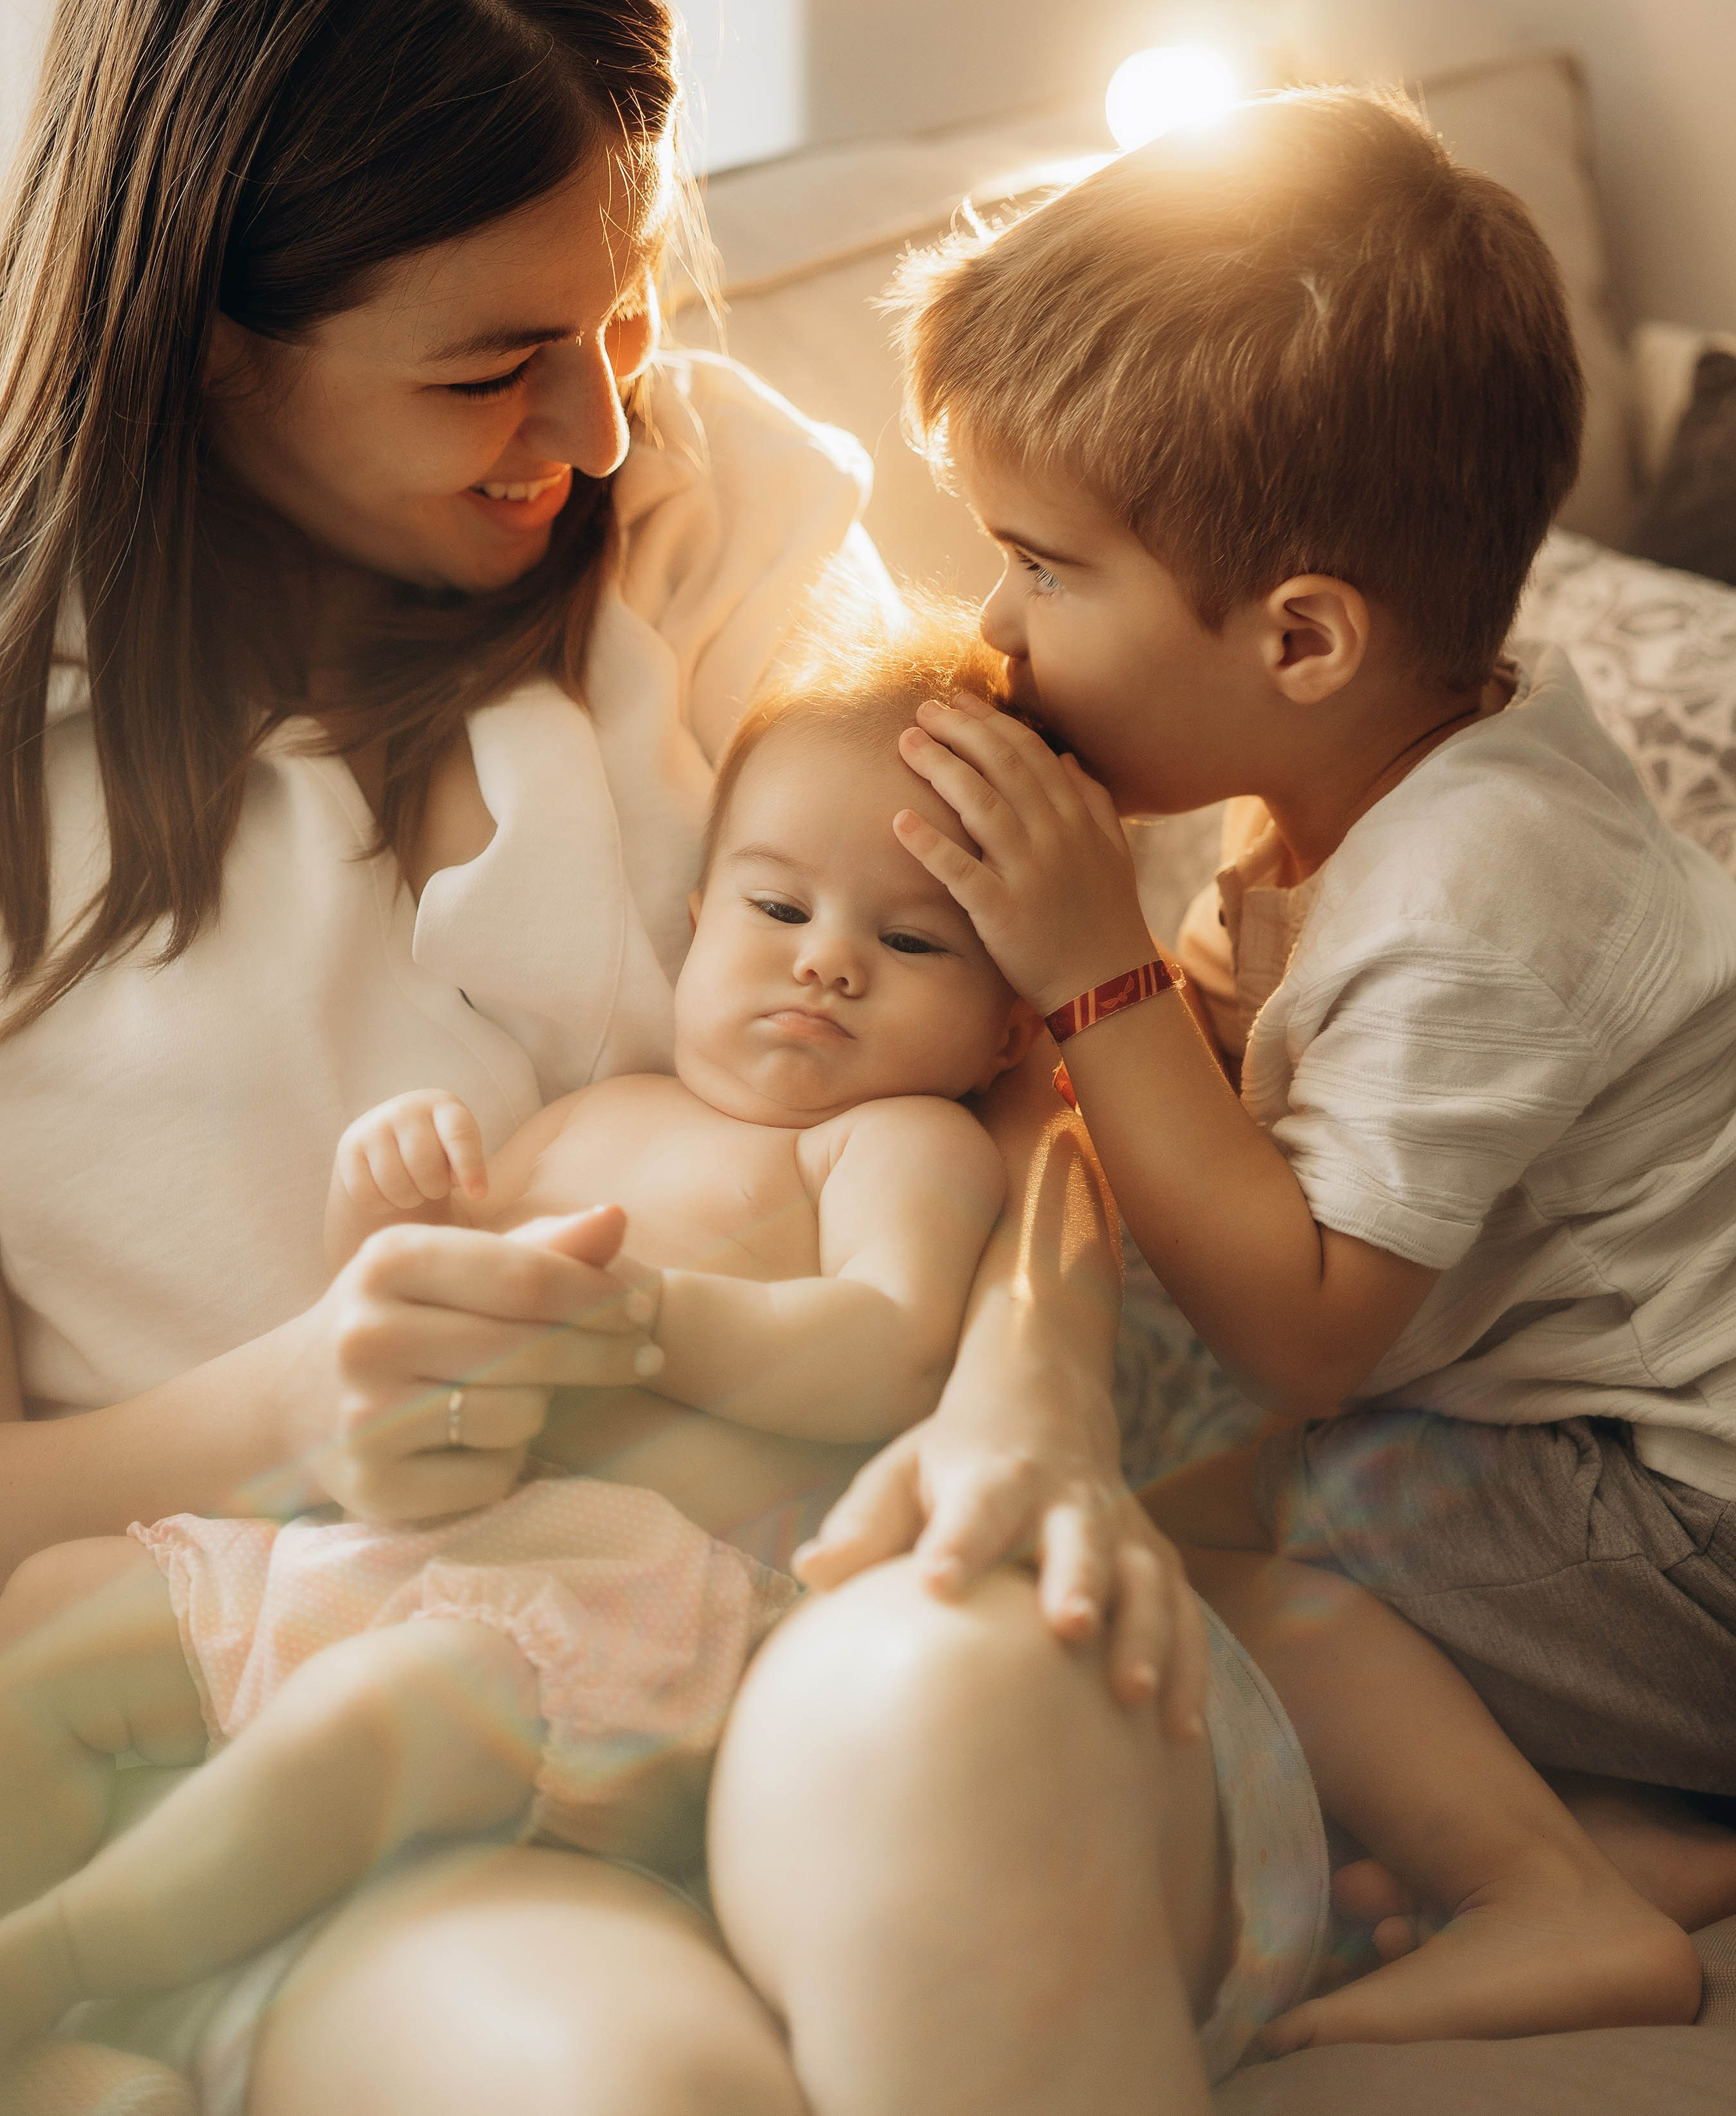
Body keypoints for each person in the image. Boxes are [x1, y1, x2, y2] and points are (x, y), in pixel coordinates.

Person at [0, 0, 1199, 2116]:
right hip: (342, 1699)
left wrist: (1028, 1387)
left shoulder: (714, 519)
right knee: (625, 2087)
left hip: (836, 1569)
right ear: (211, 337)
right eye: (487, 364)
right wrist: (287, 1396)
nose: (602, 408)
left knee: (957, 1741)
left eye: (625, 300)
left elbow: (1067, 1014)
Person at [0, 602, 1697, 2110]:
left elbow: (886, 1349)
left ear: (1002, 1021)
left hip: (627, 1630)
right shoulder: (594, 1110)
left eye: (909, 945)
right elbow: (409, 1334)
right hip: (436, 1569)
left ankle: (82, 1956)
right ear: (692, 913)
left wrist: (658, 1319)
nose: (824, 959)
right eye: (775, 906)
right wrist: (402, 1216)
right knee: (55, 1622)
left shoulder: (894, 1146)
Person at [885, 81, 1736, 2037]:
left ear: (1302, 641)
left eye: (1043, 565)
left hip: (1690, 1539)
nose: (1000, 631)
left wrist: (1095, 982)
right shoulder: (1394, 766)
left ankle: (1551, 1903)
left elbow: (1310, 1329)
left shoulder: (1470, 900)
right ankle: (1630, 1836)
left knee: (1261, 1511)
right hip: (1614, 1489)